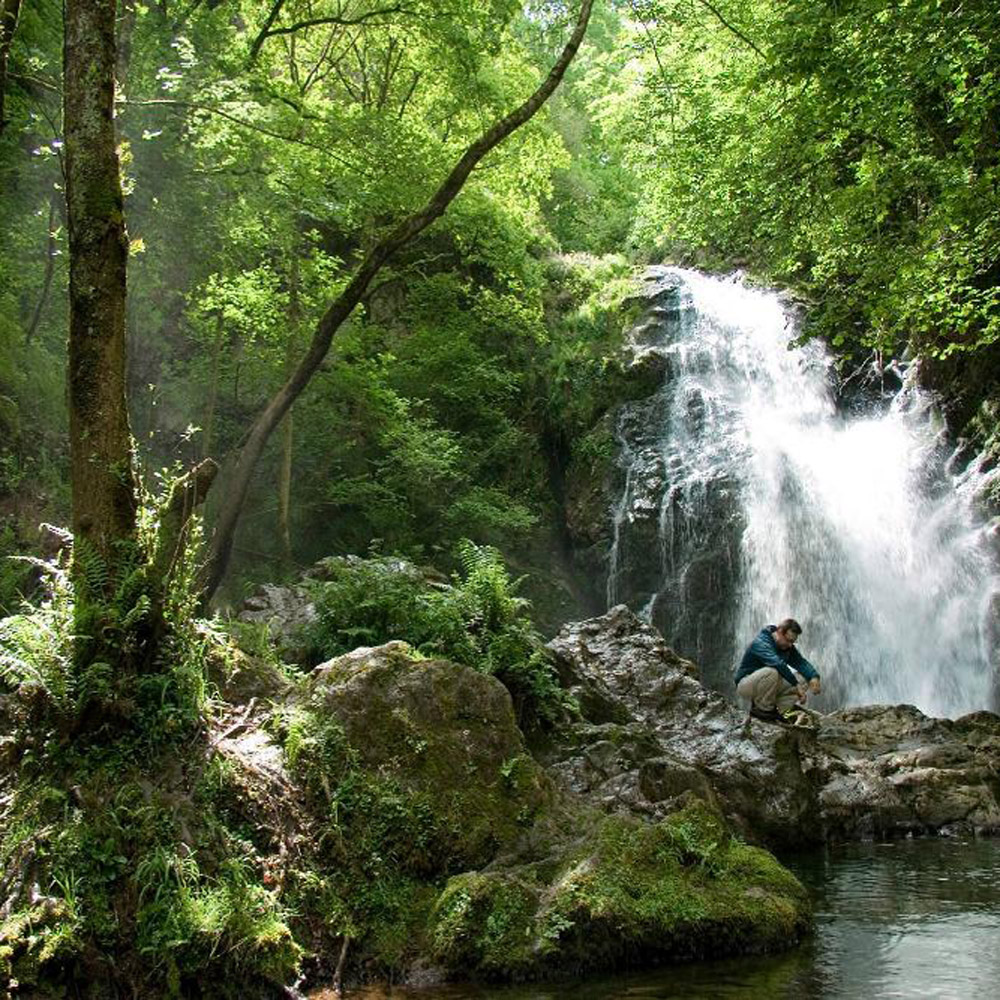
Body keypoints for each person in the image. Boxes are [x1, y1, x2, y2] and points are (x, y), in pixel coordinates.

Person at [734, 618, 821, 723]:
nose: (790, 645)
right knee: (772, 672)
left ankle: (777, 711)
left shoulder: (787, 647)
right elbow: (777, 663)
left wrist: (814, 677)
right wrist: (796, 685)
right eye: (788, 640)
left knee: (804, 678)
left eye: (793, 642)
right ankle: (762, 710)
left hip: (770, 684)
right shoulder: (761, 642)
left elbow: (801, 663)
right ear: (779, 632)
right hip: (746, 684)